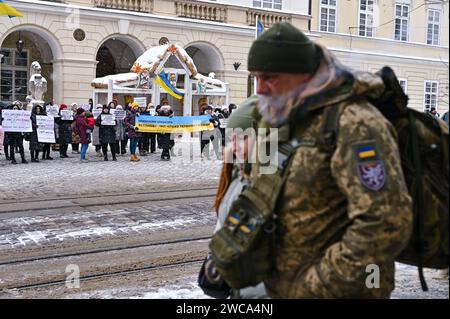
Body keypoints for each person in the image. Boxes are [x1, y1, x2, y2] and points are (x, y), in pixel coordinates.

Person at [237, 22, 413, 298]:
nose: (259, 88)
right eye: (255, 77)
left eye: (269, 77)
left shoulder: (356, 123)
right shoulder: (283, 119)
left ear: (303, 75)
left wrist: (315, 286)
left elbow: (385, 222)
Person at [205, 95, 267, 299]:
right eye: (232, 138)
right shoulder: (236, 176)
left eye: (243, 137)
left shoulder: (277, 183)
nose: (235, 145)